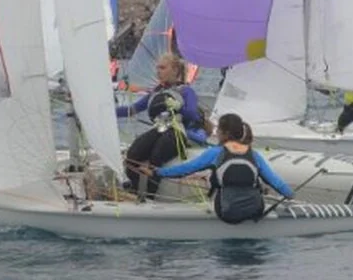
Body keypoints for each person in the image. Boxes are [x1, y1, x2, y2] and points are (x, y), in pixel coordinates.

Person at [153, 113, 294, 224]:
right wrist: (289, 194)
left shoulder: (215, 153)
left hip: (227, 212)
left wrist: (157, 172)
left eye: (218, 129)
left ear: (225, 134)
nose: (216, 132)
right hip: (255, 210)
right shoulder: (254, 155)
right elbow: (274, 181)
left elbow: (185, 169)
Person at [116, 53, 209, 198]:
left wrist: (179, 107)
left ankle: (150, 195)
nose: (158, 71)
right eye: (157, 68)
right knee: (133, 153)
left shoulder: (186, 91)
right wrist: (107, 112)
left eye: (162, 68)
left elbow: (193, 115)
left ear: (175, 70)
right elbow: (132, 110)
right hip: (159, 128)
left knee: (157, 154)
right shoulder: (156, 92)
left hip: (177, 131)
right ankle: (134, 191)